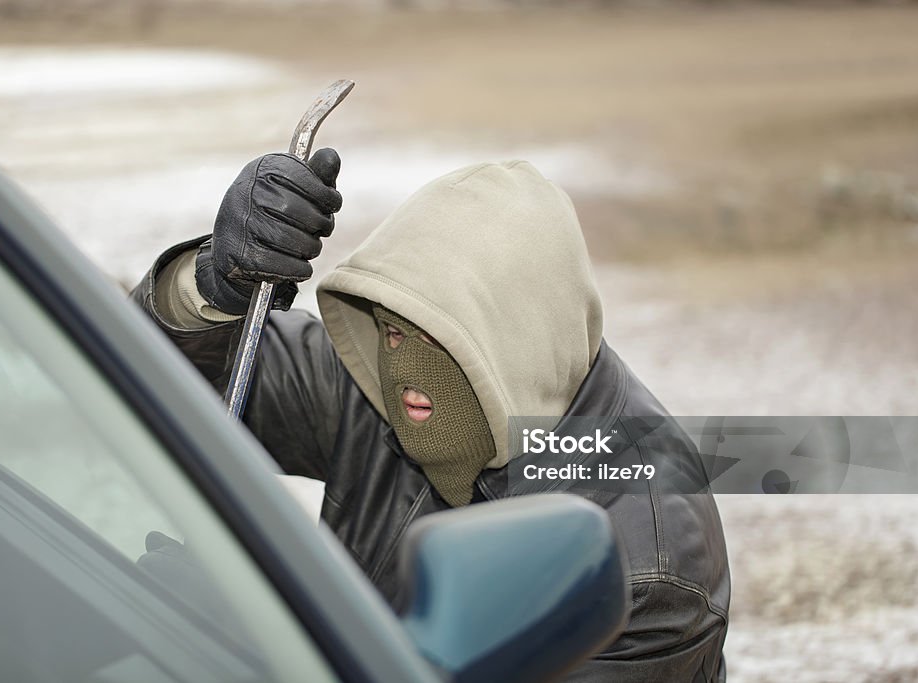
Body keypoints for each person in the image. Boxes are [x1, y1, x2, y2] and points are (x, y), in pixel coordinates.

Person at [132, 149, 731, 681]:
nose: (405, 370)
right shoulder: (377, 387)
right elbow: (144, 387)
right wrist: (213, 290)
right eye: (392, 329)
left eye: (442, 339)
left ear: (514, 336)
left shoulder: (648, 570)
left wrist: (267, 642)